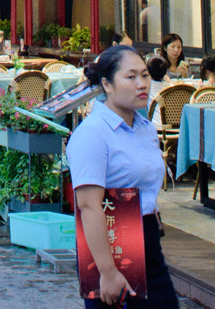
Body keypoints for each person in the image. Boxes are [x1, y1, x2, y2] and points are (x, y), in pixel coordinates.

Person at [67, 45, 181, 309]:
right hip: (108, 245)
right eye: (130, 77)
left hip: (147, 240)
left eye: (145, 75)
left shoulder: (145, 128)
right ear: (107, 84)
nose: (141, 84)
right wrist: (106, 271)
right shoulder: (93, 134)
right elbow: (88, 206)